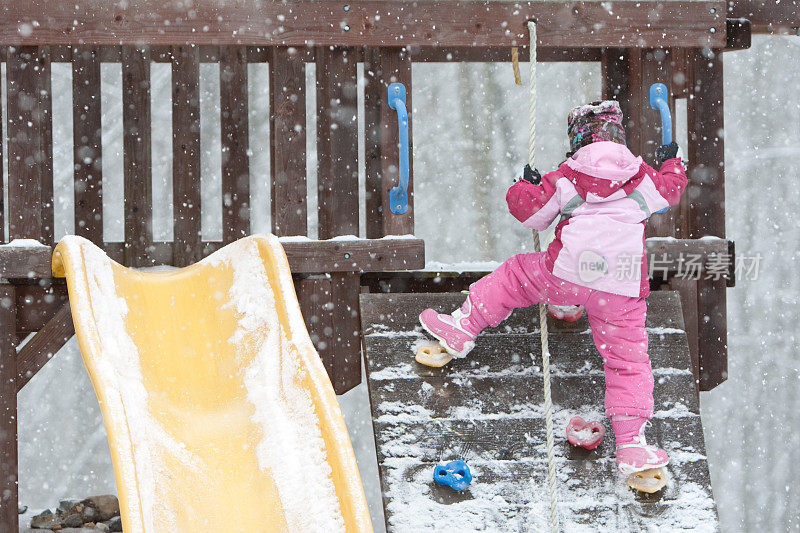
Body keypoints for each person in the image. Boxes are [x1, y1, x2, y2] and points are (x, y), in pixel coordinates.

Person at [419, 100, 687, 475]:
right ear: (619, 136)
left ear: (577, 141)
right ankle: (630, 444)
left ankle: (463, 327)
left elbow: (531, 214)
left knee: (515, 276)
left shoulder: (567, 175)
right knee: (627, 361)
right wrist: (672, 162)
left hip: (567, 276)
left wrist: (523, 185)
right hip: (621, 287)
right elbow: (672, 190)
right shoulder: (643, 176)